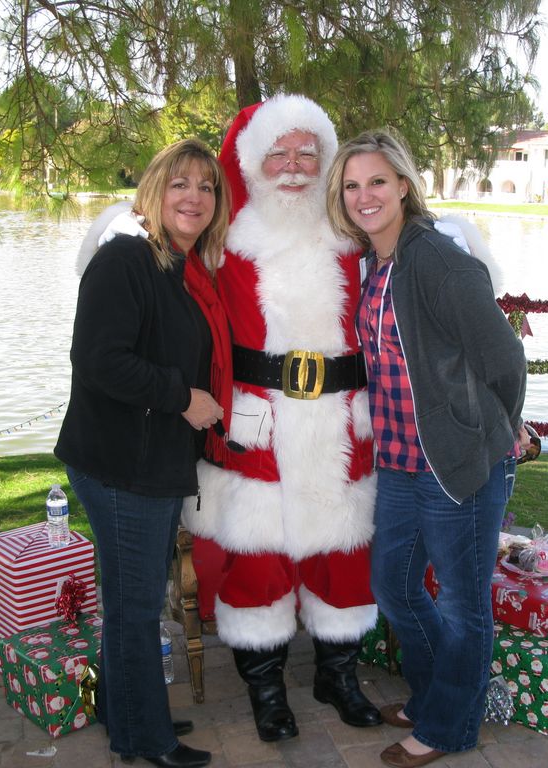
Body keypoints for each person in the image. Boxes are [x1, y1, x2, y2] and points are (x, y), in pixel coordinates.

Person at [180, 94, 383, 742]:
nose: (294, 166)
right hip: (255, 418)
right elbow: (169, 275)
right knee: (258, 559)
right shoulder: (225, 237)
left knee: (344, 555)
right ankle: (266, 690)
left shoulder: (353, 235)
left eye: (307, 152)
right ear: (252, 161)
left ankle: (337, 673)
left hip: (341, 420)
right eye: (279, 153)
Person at [326, 129, 529, 768]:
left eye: (378, 182)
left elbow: (503, 357)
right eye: (353, 185)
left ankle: (447, 726)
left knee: (464, 607)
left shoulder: (437, 260)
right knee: (394, 585)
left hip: (456, 466)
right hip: (401, 462)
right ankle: (436, 695)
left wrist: (502, 426)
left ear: (405, 186)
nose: (365, 196)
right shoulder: (379, 262)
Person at [55, 138, 231, 768]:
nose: (194, 197)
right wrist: (184, 397)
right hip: (123, 464)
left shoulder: (178, 267)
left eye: (206, 187)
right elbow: (100, 361)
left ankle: (120, 708)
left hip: (150, 462)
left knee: (129, 594)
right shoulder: (126, 259)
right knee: (133, 607)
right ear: (154, 192)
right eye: (180, 183)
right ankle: (143, 737)